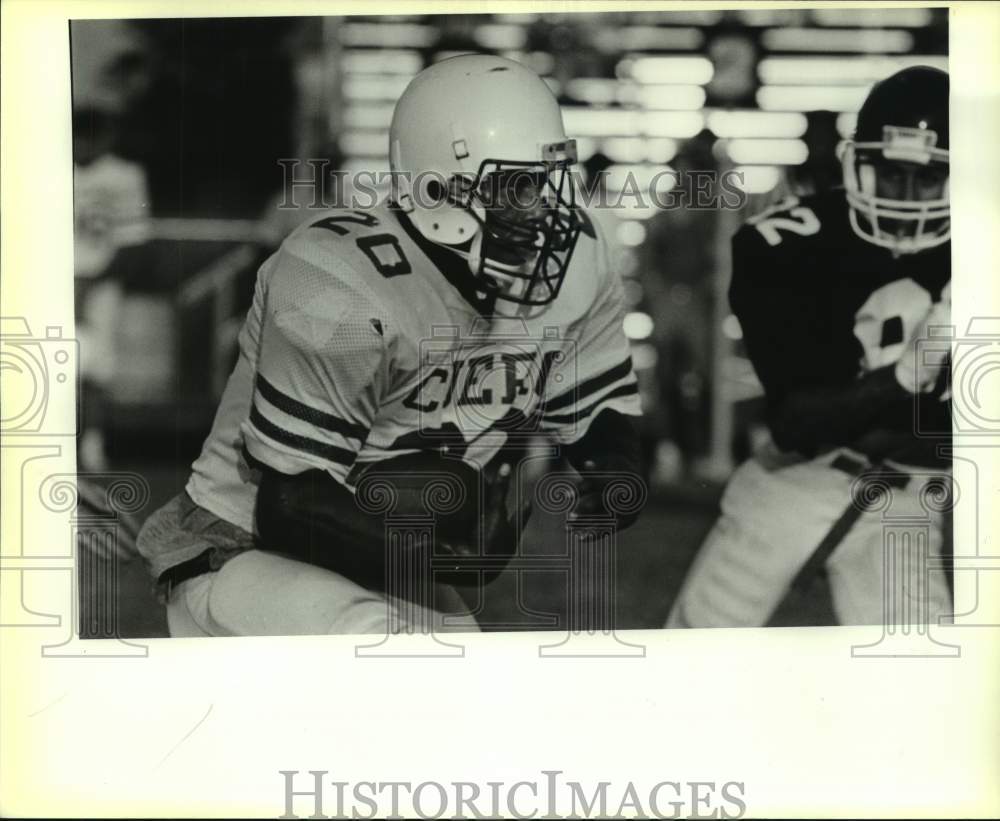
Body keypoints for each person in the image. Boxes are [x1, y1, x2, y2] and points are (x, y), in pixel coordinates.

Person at [136, 55, 644, 637]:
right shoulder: (339, 281)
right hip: (241, 548)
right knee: (390, 657)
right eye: (515, 187)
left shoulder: (578, 256)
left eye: (545, 183)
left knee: (472, 689)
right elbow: (290, 505)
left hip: (382, 547)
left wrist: (612, 469)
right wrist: (454, 557)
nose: (542, 213)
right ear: (437, 191)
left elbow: (597, 401)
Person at [666, 66, 952, 628]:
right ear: (858, 164)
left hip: (911, 494)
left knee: (919, 679)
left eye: (927, 179)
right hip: (798, 481)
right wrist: (903, 377)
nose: (907, 198)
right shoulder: (789, 246)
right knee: (696, 662)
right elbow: (798, 420)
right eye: (890, 174)